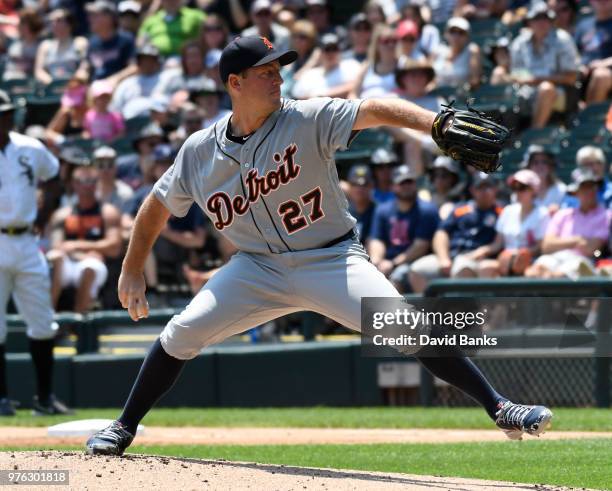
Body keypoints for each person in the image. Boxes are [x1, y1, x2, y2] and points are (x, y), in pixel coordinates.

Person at [84, 36, 552, 456]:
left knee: (403, 325)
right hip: (256, 268)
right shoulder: (199, 151)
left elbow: (374, 108)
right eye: (265, 71)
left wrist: (433, 122)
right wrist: (131, 268)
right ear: (235, 82)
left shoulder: (306, 117)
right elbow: (156, 204)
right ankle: (123, 427)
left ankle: (501, 407)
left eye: (279, 69)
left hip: (331, 257)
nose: (277, 78)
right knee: (182, 332)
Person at [0, 90, 72, 417]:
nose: (3, 118)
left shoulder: (29, 147)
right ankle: (2, 398)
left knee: (42, 322)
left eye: (6, 112)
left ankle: (44, 398)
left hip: (27, 241)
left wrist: (44, 217)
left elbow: (55, 176)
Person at [47, 164, 122, 313]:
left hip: (97, 265)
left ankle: (77, 320)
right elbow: (57, 247)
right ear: (74, 184)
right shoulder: (62, 215)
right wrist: (84, 252)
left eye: (93, 181)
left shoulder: (108, 212)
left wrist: (76, 245)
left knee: (89, 267)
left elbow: (114, 247)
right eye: (83, 181)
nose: (88, 186)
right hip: (69, 263)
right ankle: (49, 317)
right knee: (56, 258)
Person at [409, 172, 502, 292]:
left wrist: (483, 251)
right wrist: (443, 258)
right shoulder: (459, 209)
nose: (484, 191)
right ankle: (431, 310)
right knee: (417, 270)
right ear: (473, 190)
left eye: (488, 187)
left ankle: (457, 310)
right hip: (451, 255)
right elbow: (441, 233)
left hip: (476, 259)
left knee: (462, 267)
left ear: (495, 189)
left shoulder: (502, 212)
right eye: (480, 187)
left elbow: (500, 241)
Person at [526, 168, 611, 279]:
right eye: (584, 188)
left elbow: (592, 249)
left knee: (559, 274)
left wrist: (559, 243)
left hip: (583, 261)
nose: (589, 191)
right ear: (576, 193)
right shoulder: (562, 214)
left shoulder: (606, 215)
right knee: (534, 271)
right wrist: (576, 240)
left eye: (591, 187)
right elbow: (546, 246)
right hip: (555, 257)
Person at [368, 165, 439, 292]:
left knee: (398, 276)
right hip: (388, 262)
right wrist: (376, 262)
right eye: (402, 183)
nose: (406, 186)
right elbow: (377, 240)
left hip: (416, 262)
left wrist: (393, 263)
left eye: (409, 182)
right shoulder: (383, 210)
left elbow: (420, 246)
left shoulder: (427, 210)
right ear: (393, 186)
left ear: (416, 184)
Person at [509, 2, 579, 128]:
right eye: (537, 19)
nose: (542, 22)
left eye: (546, 18)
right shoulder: (519, 43)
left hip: (560, 90)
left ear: (551, 21)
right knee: (501, 85)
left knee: (545, 88)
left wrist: (540, 80)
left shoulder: (563, 40)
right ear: (529, 22)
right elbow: (516, 73)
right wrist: (527, 79)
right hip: (525, 89)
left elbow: (571, 77)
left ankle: (533, 135)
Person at [480, 169, 550, 277]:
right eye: (514, 188)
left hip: (531, 261)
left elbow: (540, 246)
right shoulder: (508, 210)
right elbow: (497, 244)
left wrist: (520, 255)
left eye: (522, 188)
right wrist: (480, 252)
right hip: (506, 259)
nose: (517, 192)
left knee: (531, 273)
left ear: (533, 190)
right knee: (485, 267)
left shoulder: (542, 213)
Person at [292, 33, 361, 99]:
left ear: (339, 51)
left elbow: (357, 85)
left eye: (334, 49)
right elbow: (298, 95)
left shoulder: (351, 65)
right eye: (327, 49)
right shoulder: (310, 74)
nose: (330, 53)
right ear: (320, 53)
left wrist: (322, 96)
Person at [84, 0, 136, 84]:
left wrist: (115, 79)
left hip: (119, 87)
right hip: (95, 88)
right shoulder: (92, 42)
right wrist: (79, 77)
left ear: (109, 18)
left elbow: (134, 67)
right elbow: (85, 67)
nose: (90, 19)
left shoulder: (125, 39)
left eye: (94, 15)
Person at [34, 8, 88, 85]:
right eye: (51, 21)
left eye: (58, 20)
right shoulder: (45, 46)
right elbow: (39, 71)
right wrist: (51, 82)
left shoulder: (80, 42)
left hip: (74, 88)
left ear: (69, 23)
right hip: (51, 88)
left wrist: (73, 82)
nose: (53, 24)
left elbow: (84, 68)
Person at [138, 0, 205, 58]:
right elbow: (140, 42)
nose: (171, 1)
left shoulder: (194, 16)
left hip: (185, 61)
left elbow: (211, 25)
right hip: (154, 60)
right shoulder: (151, 20)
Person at [574, 0, 612, 104]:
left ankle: (589, 118)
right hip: (583, 73)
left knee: (601, 75)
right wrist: (579, 66)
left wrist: (603, 64)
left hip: (607, 72)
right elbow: (574, 53)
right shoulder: (583, 25)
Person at [349, 24, 399, 99]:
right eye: (386, 41)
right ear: (377, 44)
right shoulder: (367, 66)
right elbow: (353, 94)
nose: (391, 44)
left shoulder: (403, 65)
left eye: (394, 41)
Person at [432, 16, 481, 89]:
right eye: (452, 31)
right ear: (446, 34)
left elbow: (475, 80)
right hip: (437, 97)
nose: (456, 36)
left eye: (461, 32)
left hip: (461, 98)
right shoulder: (438, 51)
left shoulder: (472, 51)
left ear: (467, 36)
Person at [2, 7, 43, 81]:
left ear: (33, 24)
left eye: (23, 23)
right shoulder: (14, 45)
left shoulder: (42, 46)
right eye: (21, 22)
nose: (19, 25)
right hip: (10, 83)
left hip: (30, 86)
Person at [521, 145, 566, 211]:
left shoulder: (561, 189)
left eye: (544, 162)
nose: (540, 166)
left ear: (550, 166)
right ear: (529, 167)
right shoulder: (520, 190)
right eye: (535, 162)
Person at [93, 146, 134, 210]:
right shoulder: (88, 190)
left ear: (116, 167)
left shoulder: (126, 192)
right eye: (100, 165)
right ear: (94, 168)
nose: (105, 169)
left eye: (110, 165)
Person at [346, 164, 377, 245]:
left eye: (364, 184)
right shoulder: (343, 213)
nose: (359, 188)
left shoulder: (378, 212)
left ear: (372, 186)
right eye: (354, 184)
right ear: (349, 186)